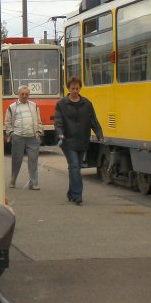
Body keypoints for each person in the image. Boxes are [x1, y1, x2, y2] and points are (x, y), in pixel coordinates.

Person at [54, 76, 104, 206]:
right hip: (67, 141)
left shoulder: (87, 104)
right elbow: (58, 121)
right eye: (72, 88)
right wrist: (60, 134)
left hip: (82, 141)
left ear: (80, 88)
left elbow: (93, 120)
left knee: (74, 168)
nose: (75, 91)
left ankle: (71, 193)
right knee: (75, 166)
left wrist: (99, 134)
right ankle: (77, 196)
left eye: (77, 88)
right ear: (68, 89)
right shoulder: (61, 104)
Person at [4, 85, 44, 190]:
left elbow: (39, 120)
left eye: (27, 94)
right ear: (18, 94)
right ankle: (13, 179)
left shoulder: (34, 106)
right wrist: (11, 133)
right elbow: (7, 122)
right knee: (17, 160)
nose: (25, 96)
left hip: (33, 137)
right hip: (18, 137)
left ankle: (34, 183)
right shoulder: (12, 107)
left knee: (33, 160)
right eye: (23, 94)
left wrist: (39, 132)